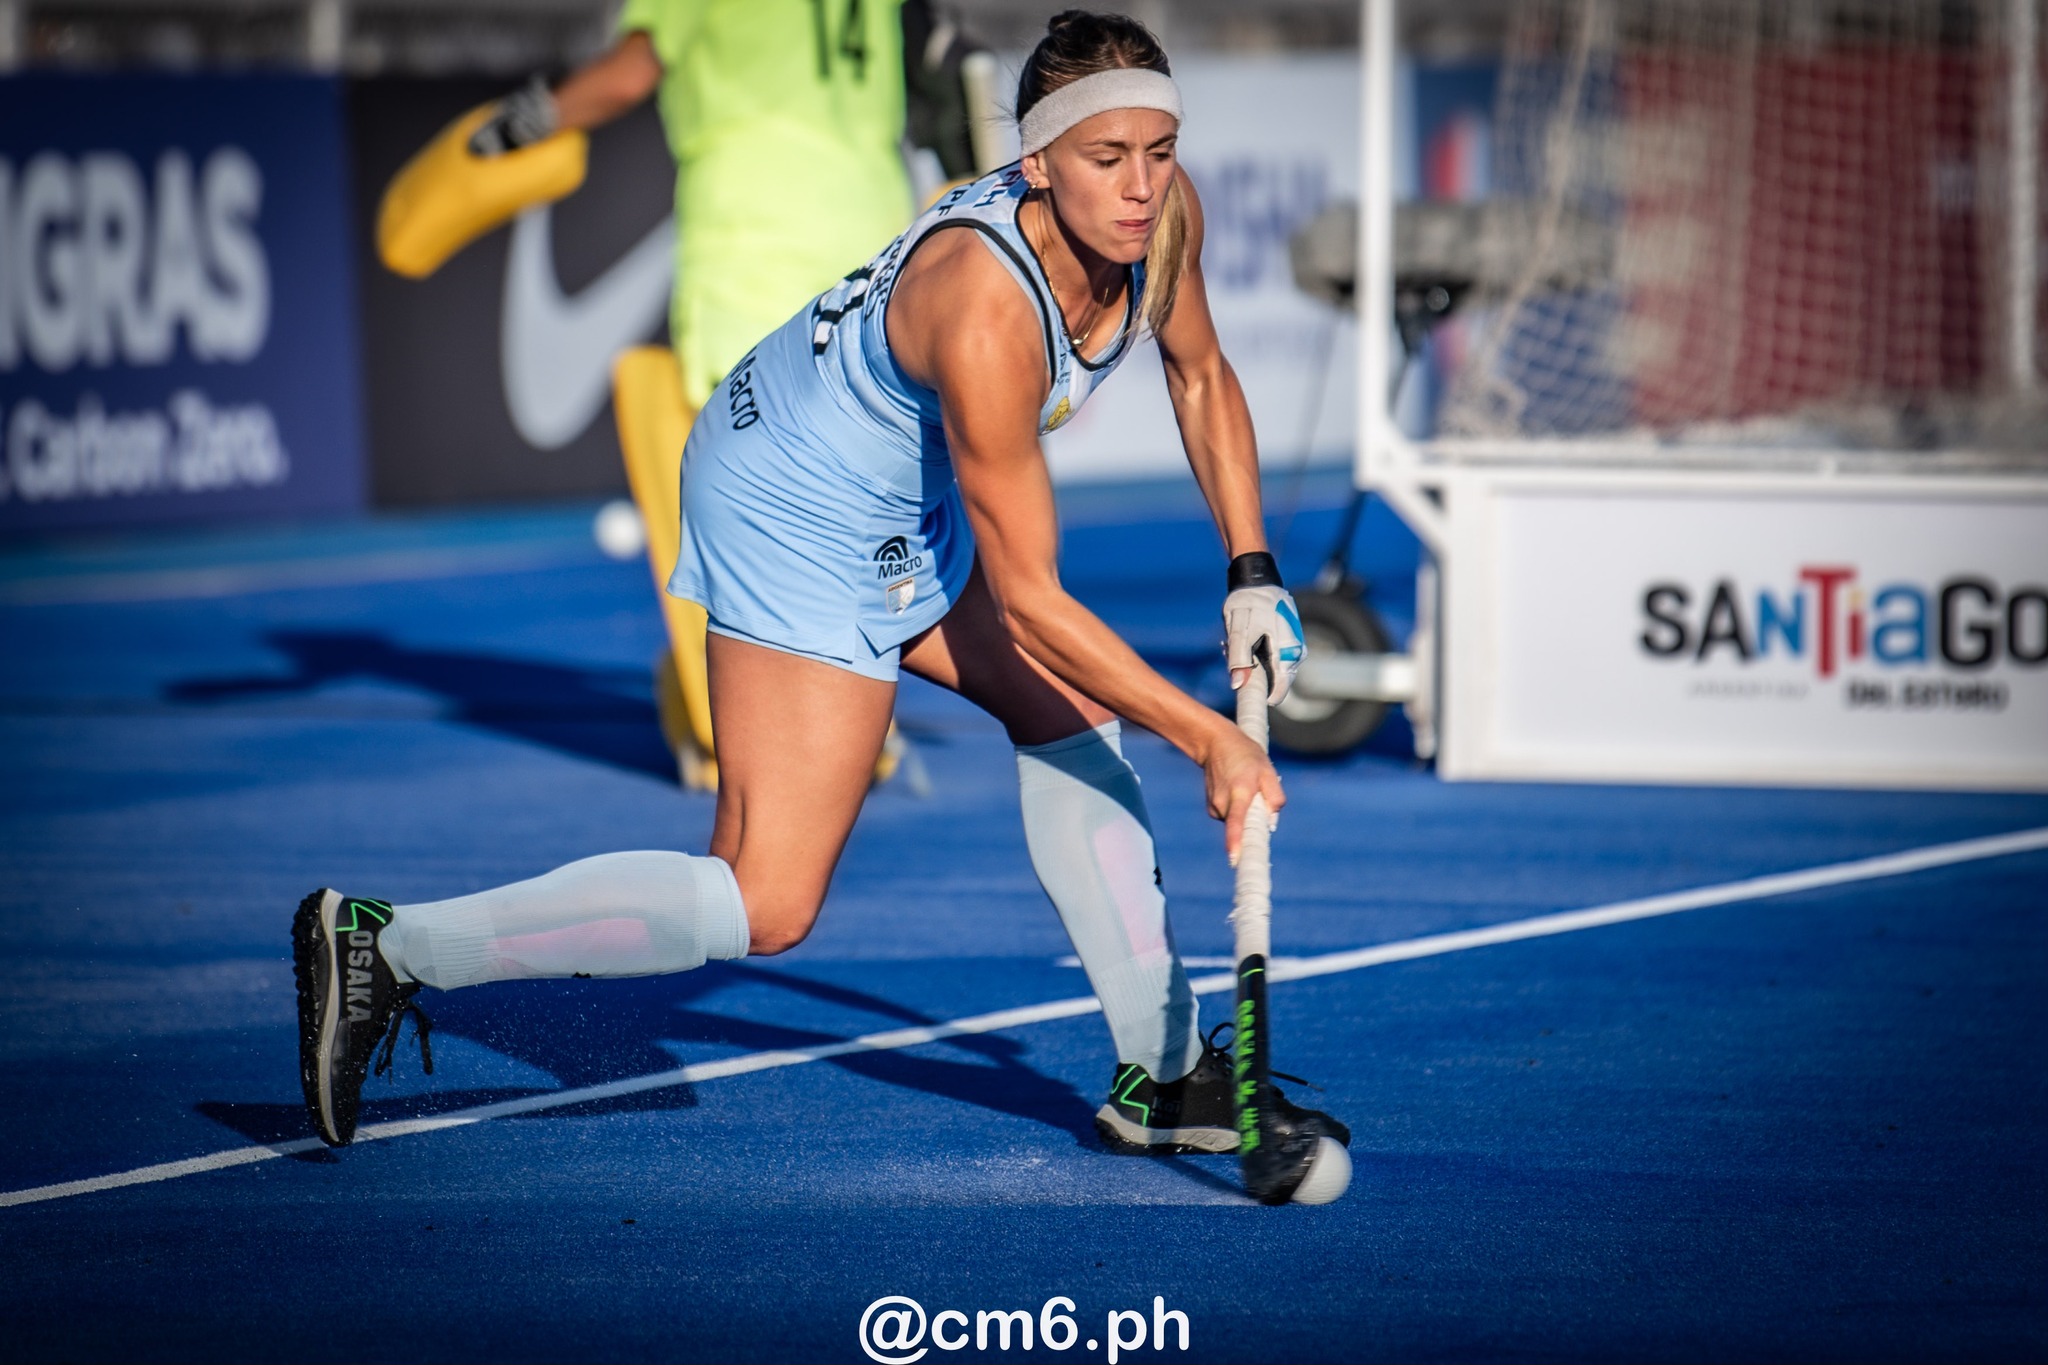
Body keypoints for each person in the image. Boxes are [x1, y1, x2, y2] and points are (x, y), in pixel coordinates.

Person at [296, 10, 1335, 1162]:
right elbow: (1033, 602)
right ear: (1037, 164)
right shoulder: (986, 311)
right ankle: (389, 948)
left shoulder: (1155, 222)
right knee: (766, 899)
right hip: (784, 495)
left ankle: (1162, 1073)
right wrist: (1210, 740)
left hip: (889, 483)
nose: (1140, 187)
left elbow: (1201, 375)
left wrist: (1252, 572)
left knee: (1071, 714)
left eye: (1158, 150)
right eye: (1107, 159)